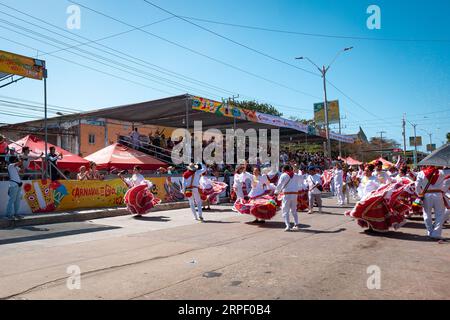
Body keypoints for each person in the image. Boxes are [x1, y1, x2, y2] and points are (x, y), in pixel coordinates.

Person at [415, 166, 447, 241]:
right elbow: (446, 181)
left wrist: (419, 194)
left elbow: (417, 186)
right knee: (440, 214)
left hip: (426, 194)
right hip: (438, 194)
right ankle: (436, 233)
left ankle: (430, 231)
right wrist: (443, 191)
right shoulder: (442, 172)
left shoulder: (421, 173)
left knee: (427, 213)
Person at [275, 164, 302, 231]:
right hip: (294, 194)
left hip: (287, 195)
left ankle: (288, 226)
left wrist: (276, 192)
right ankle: (296, 224)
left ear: (284, 170)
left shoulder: (283, 175)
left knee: (285, 210)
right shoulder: (295, 175)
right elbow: (301, 179)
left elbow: (279, 185)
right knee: (294, 210)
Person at [6, 156, 24, 220]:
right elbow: (19, 162)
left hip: (18, 185)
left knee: (17, 201)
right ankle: (9, 214)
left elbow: (22, 172)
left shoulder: (15, 167)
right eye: (16, 159)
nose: (16, 160)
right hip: (13, 185)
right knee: (12, 200)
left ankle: (16, 214)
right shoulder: (10, 165)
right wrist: (21, 160)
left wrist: (22, 164)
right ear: (14, 160)